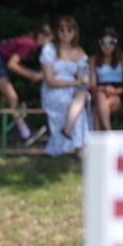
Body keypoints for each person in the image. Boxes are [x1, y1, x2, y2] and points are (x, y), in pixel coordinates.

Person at [39, 15, 90, 157]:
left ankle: (68, 129)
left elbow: (83, 75)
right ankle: (79, 147)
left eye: (69, 30)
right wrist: (75, 83)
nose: (66, 33)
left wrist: (83, 80)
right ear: (57, 32)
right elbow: (50, 81)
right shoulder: (49, 49)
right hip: (54, 90)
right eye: (62, 30)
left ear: (75, 32)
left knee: (82, 95)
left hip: (74, 89)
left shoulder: (79, 51)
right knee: (76, 107)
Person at [89, 27, 123, 131]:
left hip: (117, 93)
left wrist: (117, 91)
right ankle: (109, 132)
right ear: (99, 43)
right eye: (104, 43)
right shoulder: (94, 59)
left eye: (111, 43)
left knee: (97, 108)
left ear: (116, 44)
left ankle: (99, 136)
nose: (107, 46)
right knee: (100, 97)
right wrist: (102, 88)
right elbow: (93, 85)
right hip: (100, 90)